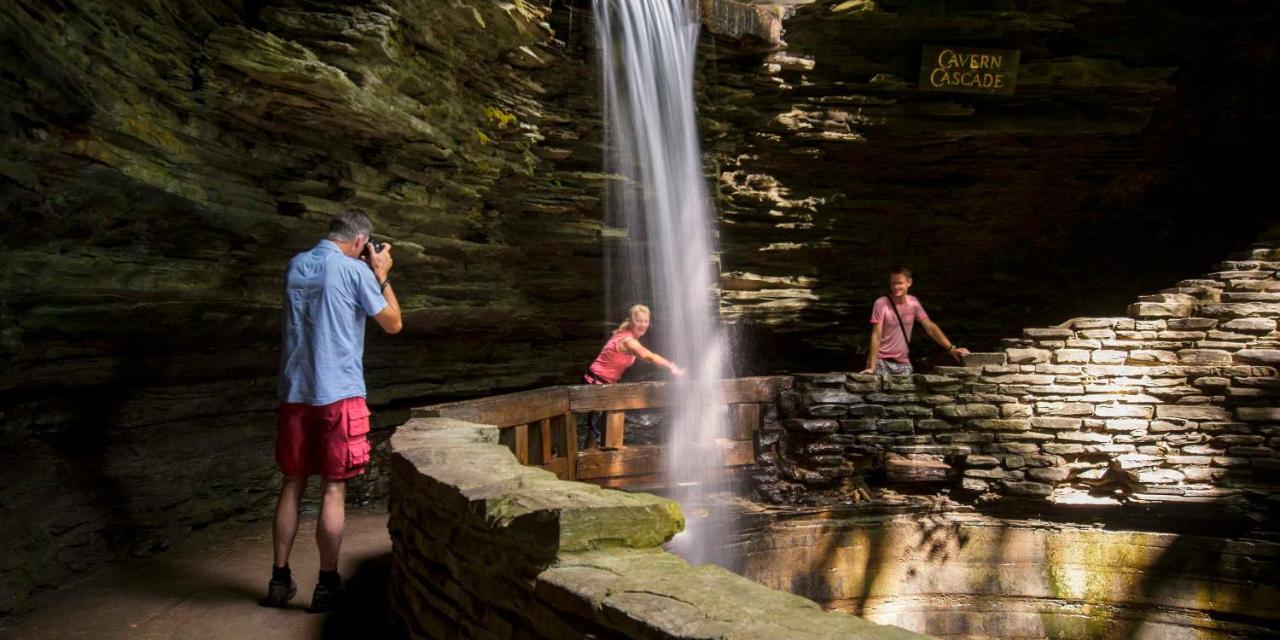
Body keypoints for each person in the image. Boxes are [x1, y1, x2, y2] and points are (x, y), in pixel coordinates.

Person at [262, 209, 402, 612]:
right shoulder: (354, 271)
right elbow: (393, 323)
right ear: (360, 242)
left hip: (295, 392)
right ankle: (326, 584)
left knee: (291, 482)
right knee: (333, 487)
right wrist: (381, 274)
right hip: (339, 393)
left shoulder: (295, 265)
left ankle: (279, 578)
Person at [582, 304, 686, 449]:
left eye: (646, 321)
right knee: (597, 429)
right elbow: (648, 356)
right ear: (631, 321)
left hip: (604, 385)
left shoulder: (625, 334)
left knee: (599, 427)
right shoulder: (628, 341)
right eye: (639, 321)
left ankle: (602, 456)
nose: (643, 325)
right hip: (595, 384)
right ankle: (592, 462)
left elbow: (642, 356)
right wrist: (672, 367)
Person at [861, 267, 968, 375]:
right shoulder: (881, 303)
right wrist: (872, 366)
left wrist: (951, 349)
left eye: (900, 283)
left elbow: (930, 327)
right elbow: (876, 335)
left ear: (909, 282)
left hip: (903, 364)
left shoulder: (913, 303)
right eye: (893, 283)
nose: (896, 287)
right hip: (881, 361)